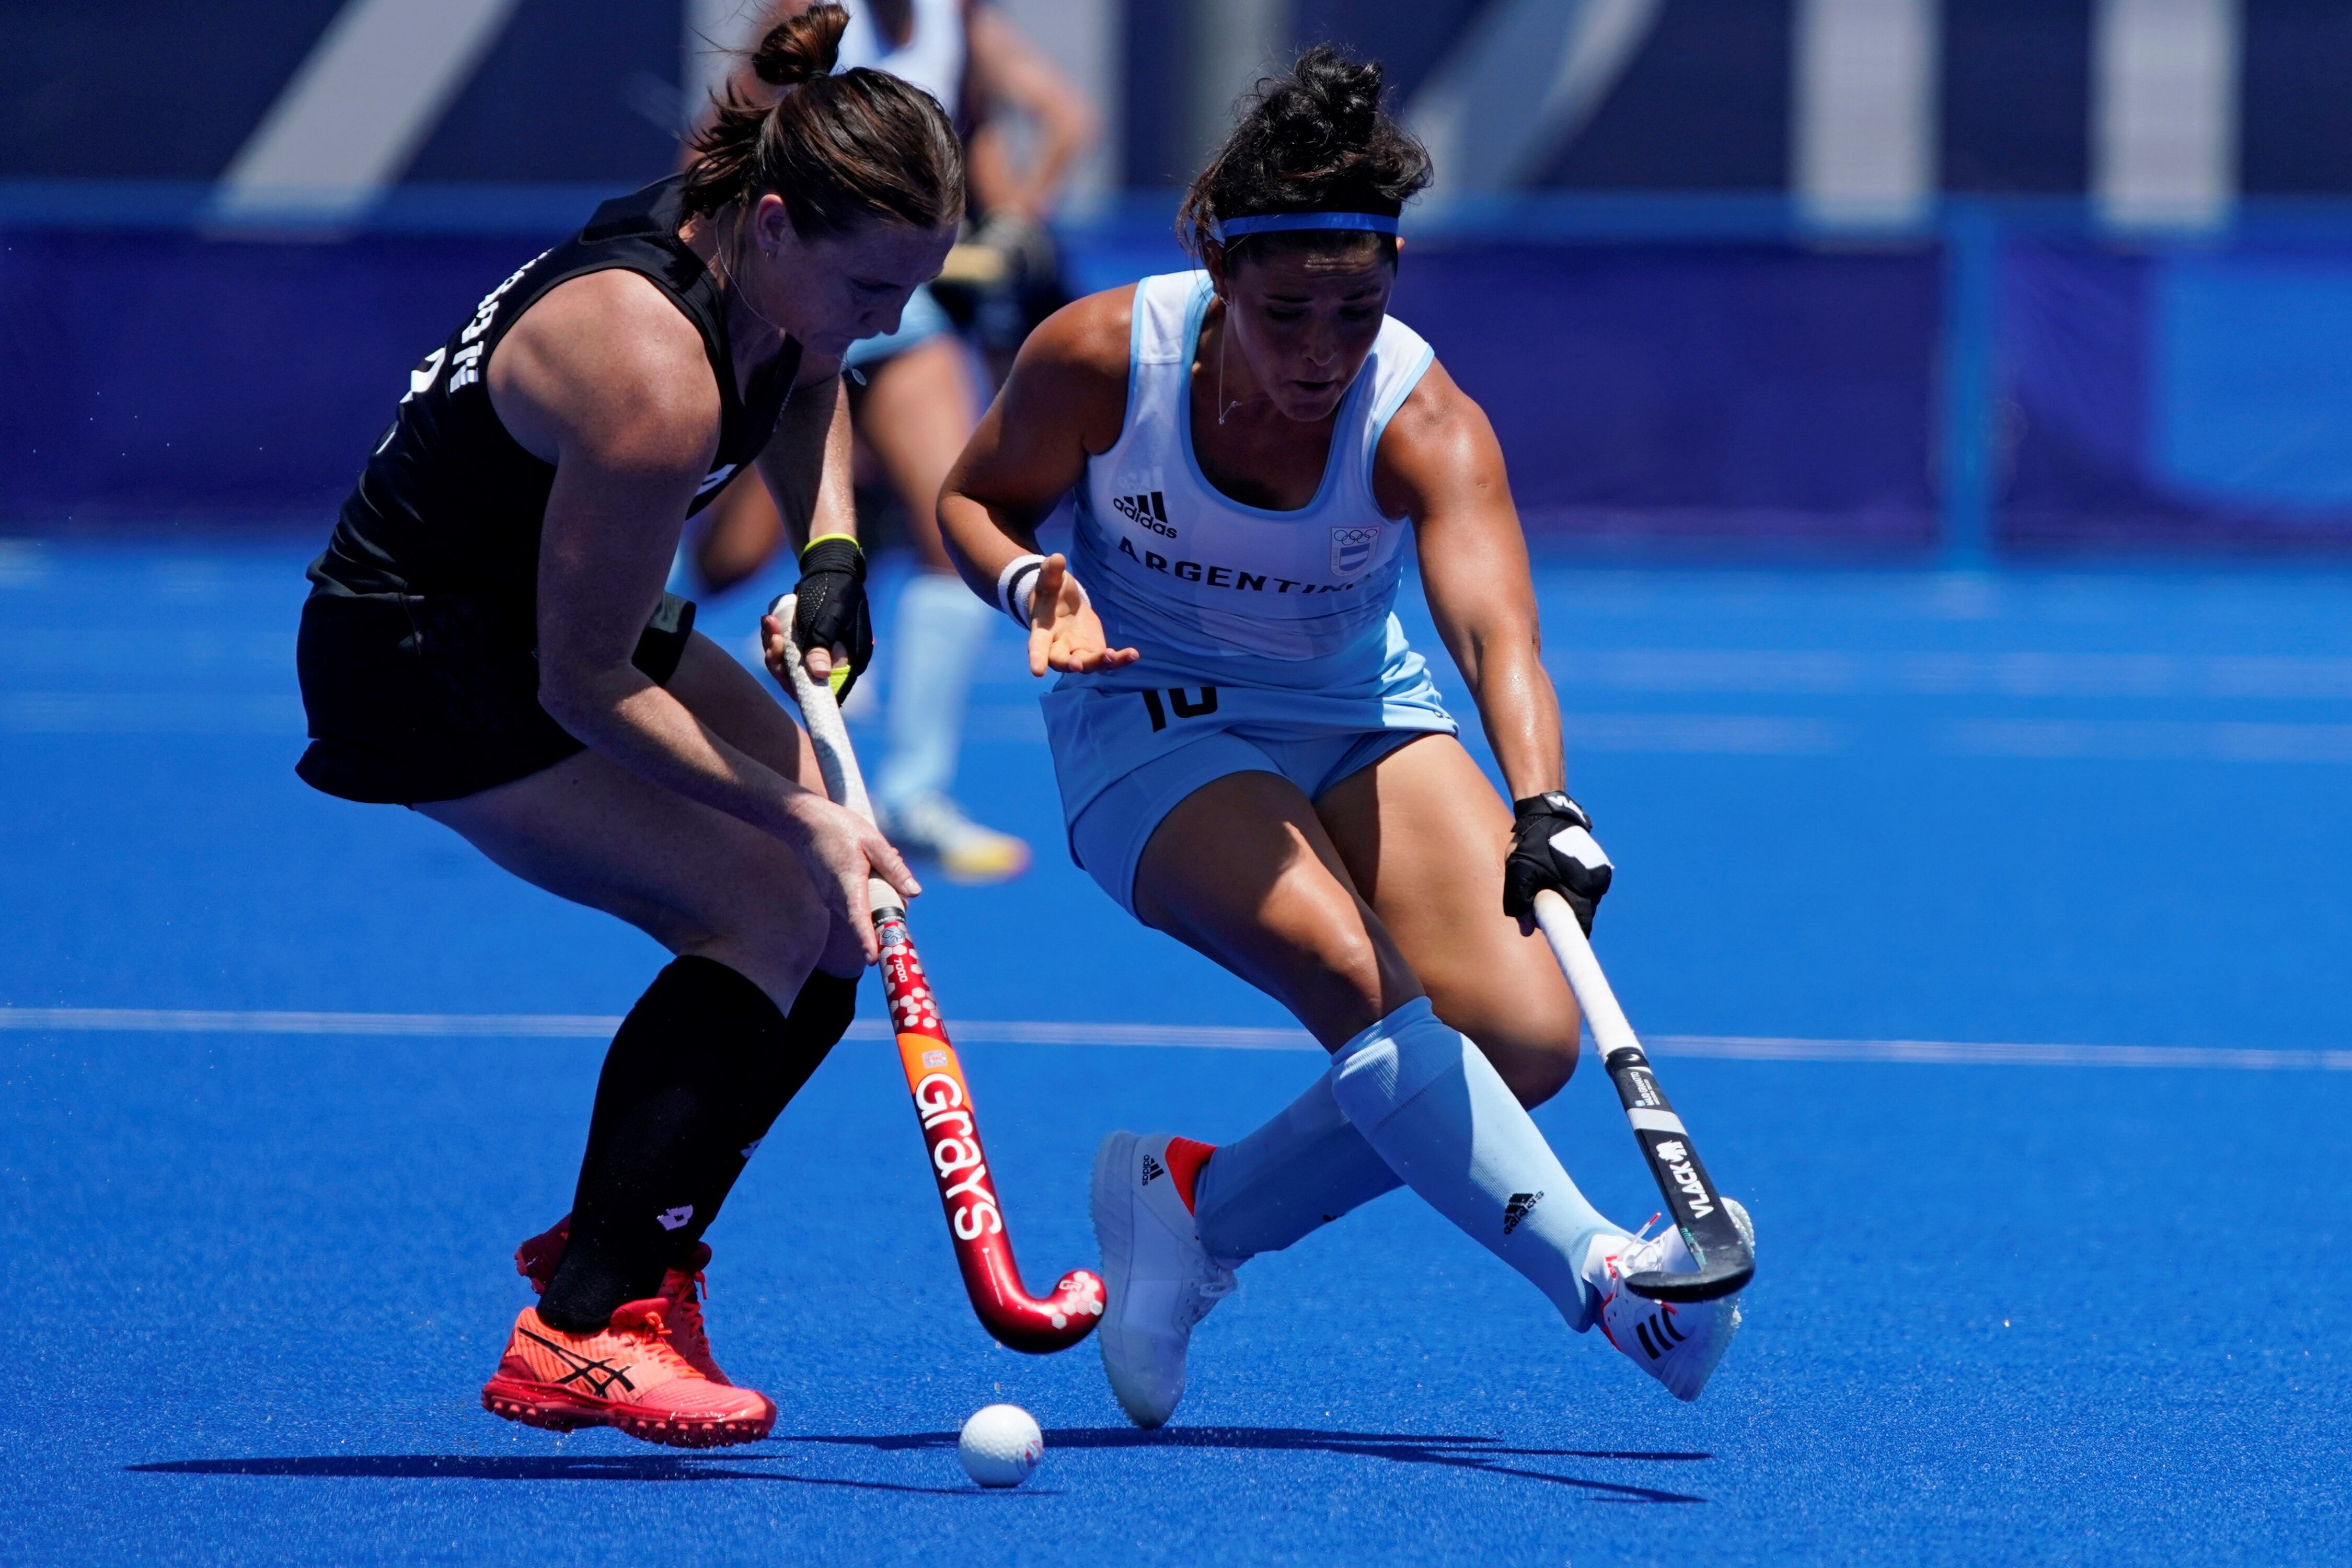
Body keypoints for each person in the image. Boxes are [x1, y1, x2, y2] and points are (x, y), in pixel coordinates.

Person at [937, 47, 1753, 1428]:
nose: (1320, 354)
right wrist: (1034, 584)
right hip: (1142, 702)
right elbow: (972, 502)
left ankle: (1192, 1209)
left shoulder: (1420, 416)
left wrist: (1545, 808)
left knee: (1521, 1037)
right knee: (1346, 969)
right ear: (1216, 266)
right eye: (1285, 313)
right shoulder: (1097, 358)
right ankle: (1605, 1281)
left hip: (1351, 704)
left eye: (1355, 312)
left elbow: (1497, 635)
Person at [291, 7, 954, 1448]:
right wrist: (798, 808)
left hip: (532, 608)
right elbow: (582, 681)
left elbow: (813, 371)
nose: (891, 321)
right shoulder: (648, 374)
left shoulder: (761, 245)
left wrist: (827, 551)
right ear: (776, 224)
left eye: (916, 290)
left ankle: (643, 1268)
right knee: (769, 904)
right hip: (428, 653)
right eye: (874, 286)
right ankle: (580, 1326)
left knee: (845, 919)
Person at [686, 0, 1099, 883]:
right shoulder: (807, 17)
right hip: (789, 308)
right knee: (729, 560)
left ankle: (913, 797)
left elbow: (1000, 139)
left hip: (900, 317)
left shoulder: (962, 25)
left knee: (951, 519)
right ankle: (626, 688)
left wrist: (1012, 219)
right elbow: (711, 159)